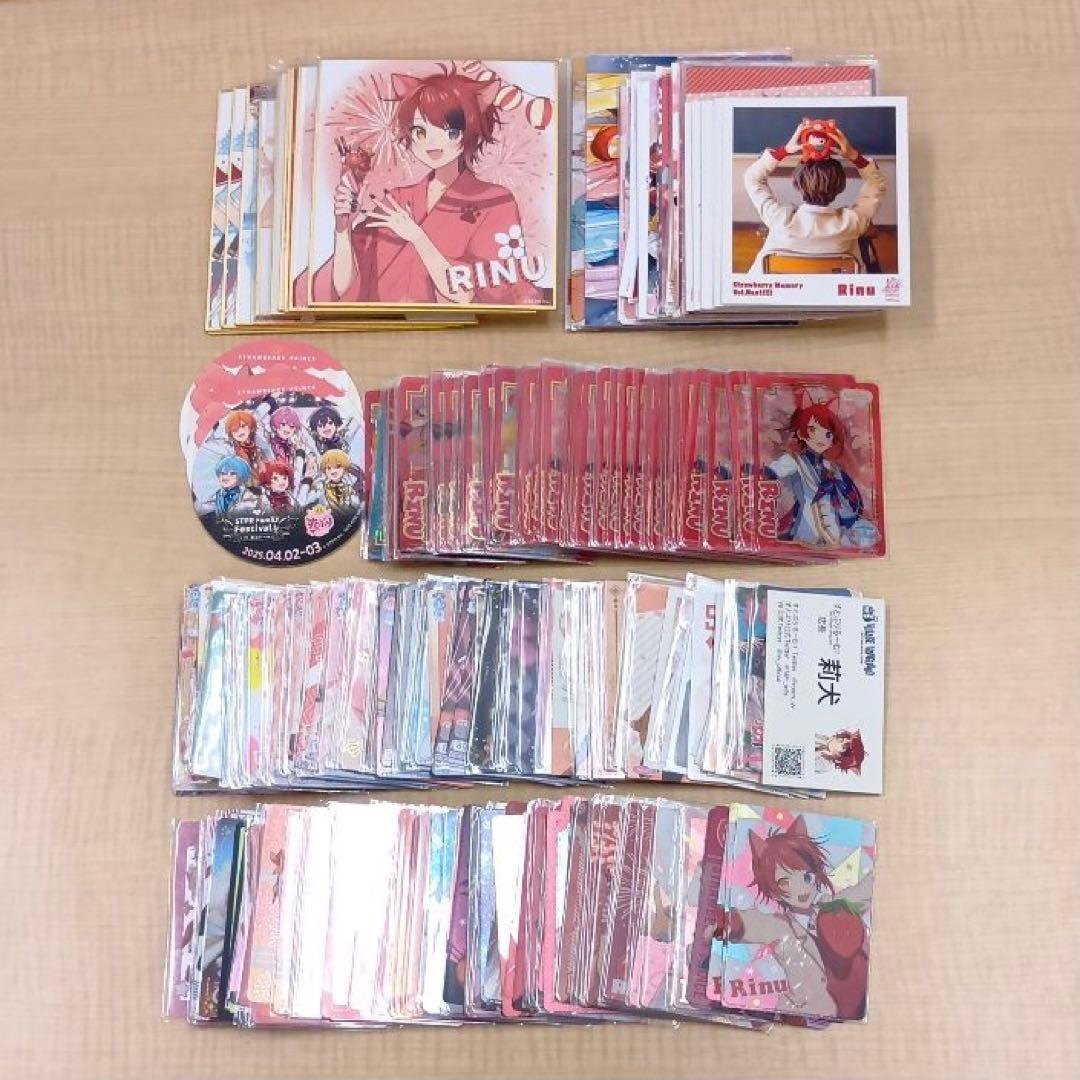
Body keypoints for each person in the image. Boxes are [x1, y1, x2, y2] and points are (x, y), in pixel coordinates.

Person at [312, 67, 541, 306]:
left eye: (450, 132)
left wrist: (417, 236)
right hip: (385, 323)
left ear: (470, 131)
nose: (431, 142)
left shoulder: (495, 201)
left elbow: (468, 295)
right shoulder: (396, 200)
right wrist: (343, 229)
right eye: (419, 131)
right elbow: (344, 288)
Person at [720, 815, 872, 1020]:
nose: (801, 889)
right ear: (774, 893)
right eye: (785, 883)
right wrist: (721, 922)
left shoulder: (835, 907)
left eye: (807, 876)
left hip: (861, 999)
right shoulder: (781, 927)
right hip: (817, 1012)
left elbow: (864, 891)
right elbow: (753, 923)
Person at [743, 119, 886, 274]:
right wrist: (853, 156)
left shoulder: (778, 218)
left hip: (779, 285)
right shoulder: (853, 222)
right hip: (832, 287)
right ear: (840, 186)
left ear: (797, 184)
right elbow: (877, 183)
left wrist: (784, 150)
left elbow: (752, 178)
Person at [764, 399, 869, 548]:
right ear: (800, 433)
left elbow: (847, 498)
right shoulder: (794, 461)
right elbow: (769, 473)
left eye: (828, 434)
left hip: (833, 535)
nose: (820, 438)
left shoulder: (831, 467)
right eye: (813, 430)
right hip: (805, 534)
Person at [199, 456, 264, 517]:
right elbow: (204, 510)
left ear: (240, 476)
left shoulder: (248, 496)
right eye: (223, 473)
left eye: (232, 474)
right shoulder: (216, 496)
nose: (225, 477)